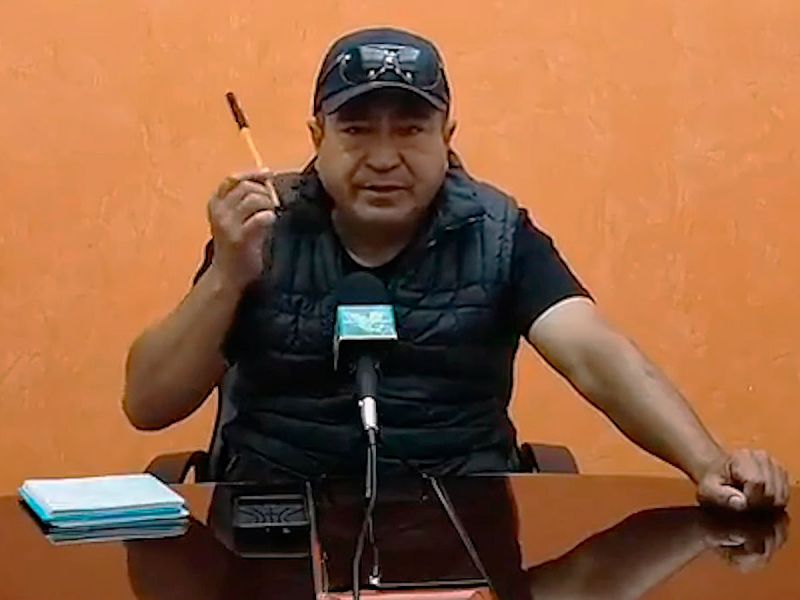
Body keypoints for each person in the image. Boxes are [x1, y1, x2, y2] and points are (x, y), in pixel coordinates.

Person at [123, 27, 789, 510]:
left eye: (411, 129)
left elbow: (596, 354)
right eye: (356, 130)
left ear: (447, 137)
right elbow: (148, 405)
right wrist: (228, 276)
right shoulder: (260, 229)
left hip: (462, 521)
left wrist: (706, 462)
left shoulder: (497, 231)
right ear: (317, 138)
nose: (384, 157)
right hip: (276, 525)